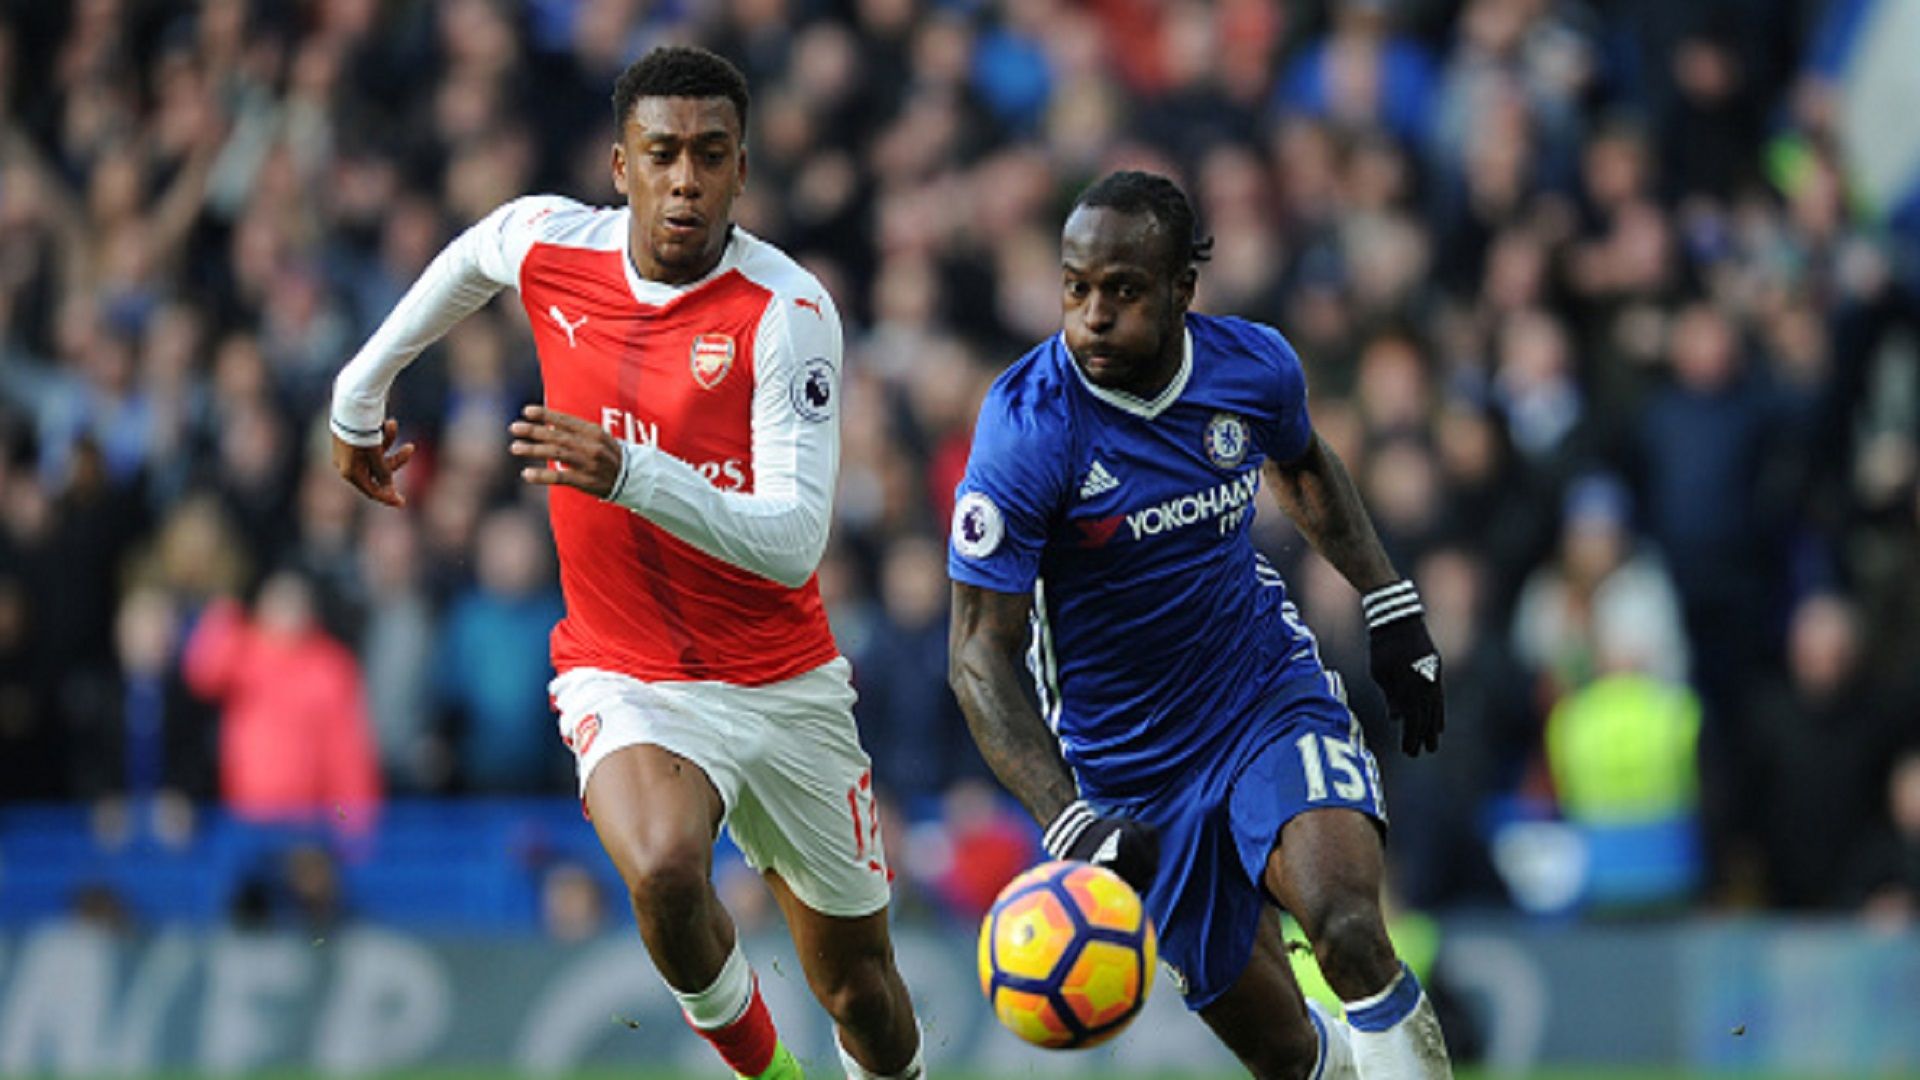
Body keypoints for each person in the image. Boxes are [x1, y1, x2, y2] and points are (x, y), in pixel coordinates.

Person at [329, 46, 924, 1080]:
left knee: (860, 992)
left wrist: (632, 474)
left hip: (781, 681)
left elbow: (795, 541)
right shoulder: (555, 243)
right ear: (621, 165)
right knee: (662, 870)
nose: (685, 179)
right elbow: (475, 254)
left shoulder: (788, 313)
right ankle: (773, 1075)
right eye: (662, 154)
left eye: (710, 155)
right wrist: (357, 393)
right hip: (627, 668)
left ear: (742, 170)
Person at [948, 171, 1452, 1080]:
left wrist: (1388, 600)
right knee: (1288, 1056)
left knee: (1346, 928)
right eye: (1075, 288)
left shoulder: (1251, 369)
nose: (1093, 316)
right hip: (1129, 770)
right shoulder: (1028, 427)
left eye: (1122, 291)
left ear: (1183, 288)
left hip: (1263, 697)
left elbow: (1302, 464)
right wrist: (1070, 822)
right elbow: (978, 653)